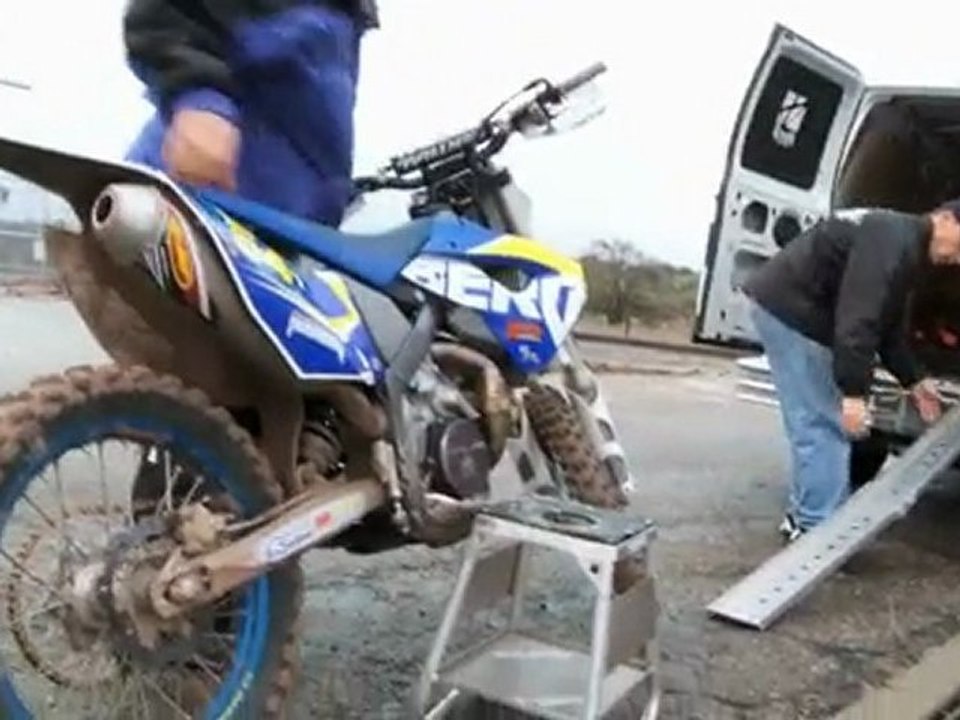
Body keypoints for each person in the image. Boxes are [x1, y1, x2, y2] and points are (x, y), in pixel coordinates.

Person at [744, 202, 960, 541]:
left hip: (793, 308)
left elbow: (887, 327)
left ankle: (807, 514)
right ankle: (814, 530)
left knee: (818, 422)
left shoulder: (904, 244)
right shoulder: (892, 237)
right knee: (822, 425)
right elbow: (859, 317)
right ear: (946, 219)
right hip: (793, 313)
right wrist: (854, 394)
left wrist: (914, 380)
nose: (958, 259)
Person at [122, 0, 379, 227]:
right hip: (175, 220)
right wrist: (201, 100)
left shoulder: (341, 17)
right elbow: (167, 14)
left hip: (270, 244)